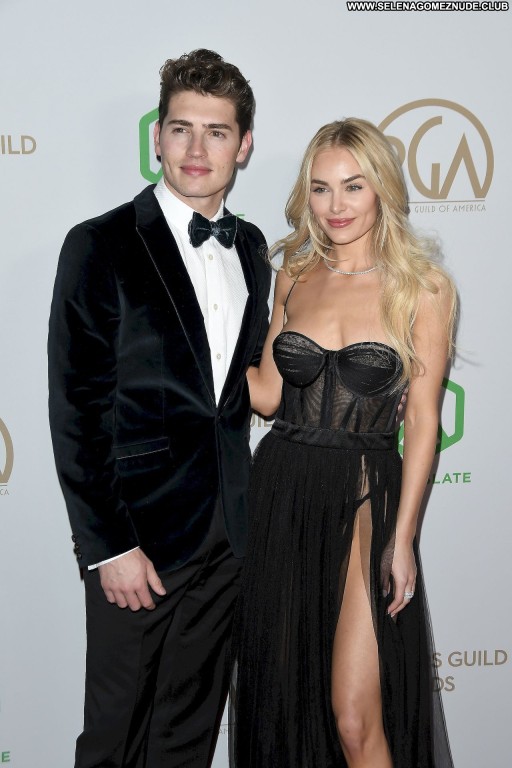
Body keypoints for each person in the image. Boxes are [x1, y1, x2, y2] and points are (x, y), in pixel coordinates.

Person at [48, 49, 271, 768]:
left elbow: (245, 388)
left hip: (228, 540)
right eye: (181, 128)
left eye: (216, 131)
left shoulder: (254, 248)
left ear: (244, 145)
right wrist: (108, 546)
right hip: (137, 540)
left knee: (189, 738)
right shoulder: (99, 244)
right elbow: (76, 408)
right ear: (157, 137)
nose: (196, 149)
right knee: (115, 739)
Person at [230, 118, 456, 767]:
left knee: (355, 717)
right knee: (284, 702)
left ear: (382, 188)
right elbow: (267, 394)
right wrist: (200, 337)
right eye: (321, 187)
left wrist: (403, 538)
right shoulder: (294, 276)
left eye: (353, 186)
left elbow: (423, 420)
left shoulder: (423, 287)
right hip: (281, 492)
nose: (336, 205)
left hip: (363, 496)